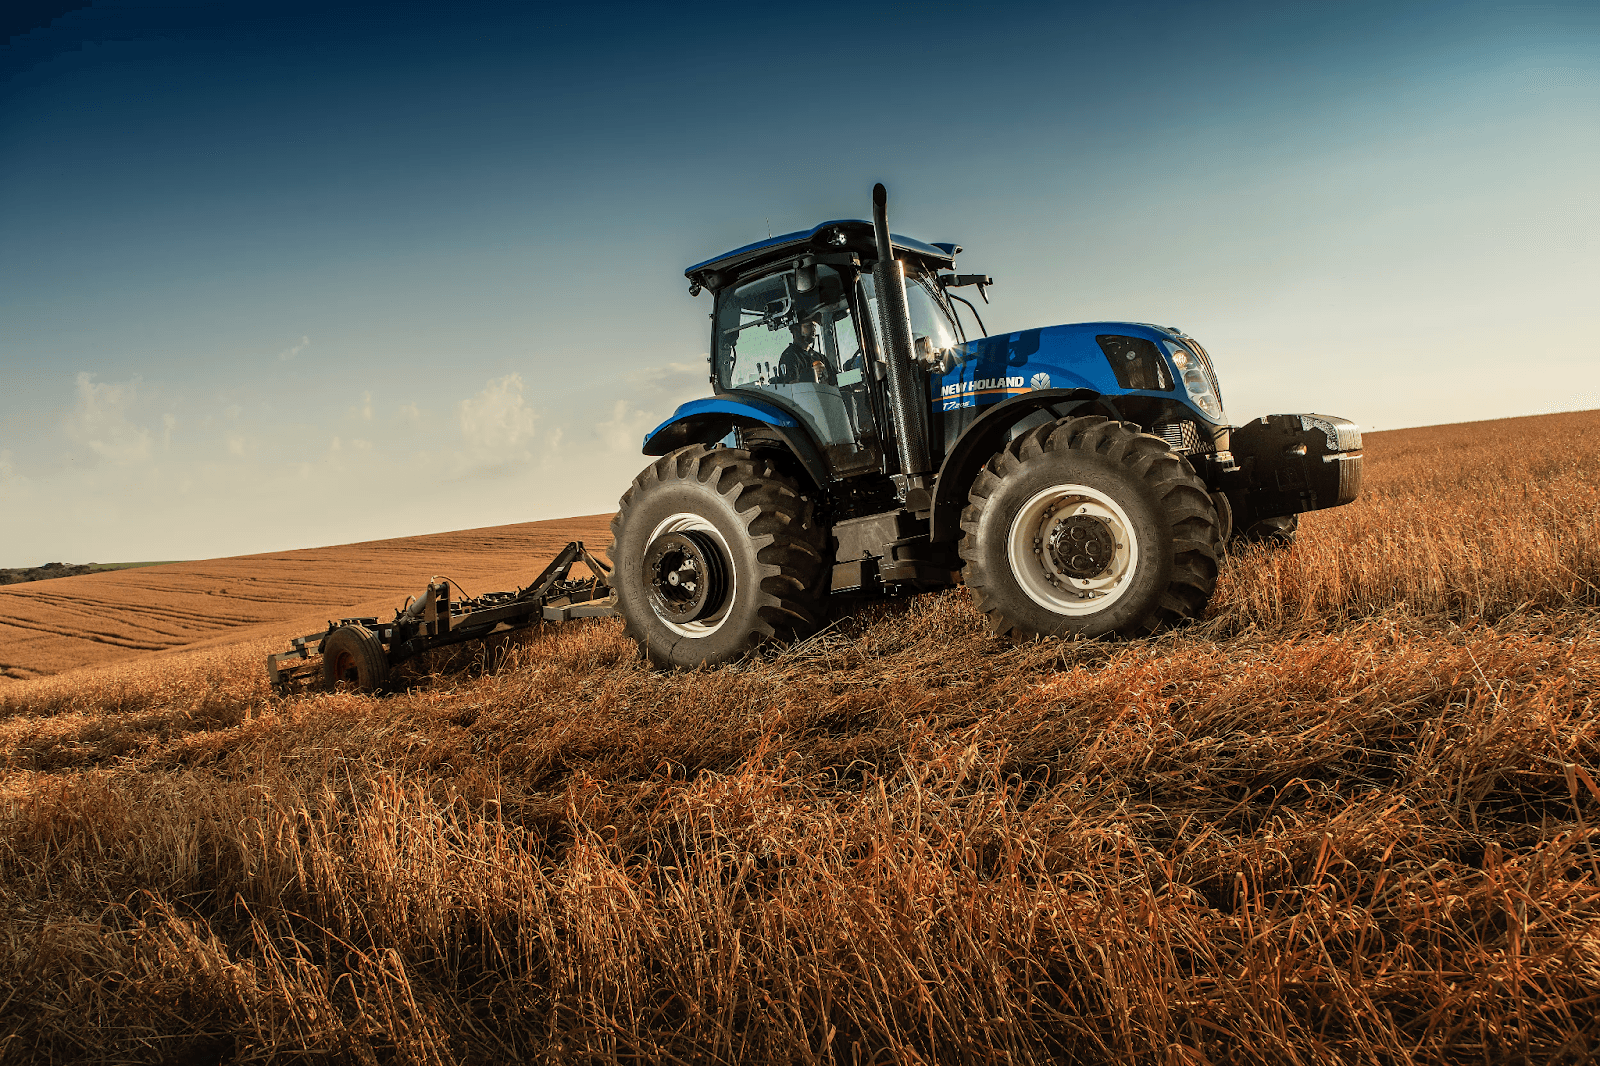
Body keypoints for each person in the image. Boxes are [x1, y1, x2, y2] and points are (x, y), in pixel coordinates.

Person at [775, 319, 833, 385]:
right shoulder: (789, 356)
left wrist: (846, 376)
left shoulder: (820, 357)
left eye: (814, 326)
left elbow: (839, 381)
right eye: (808, 326)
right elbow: (793, 387)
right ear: (796, 330)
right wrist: (812, 375)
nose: (813, 329)